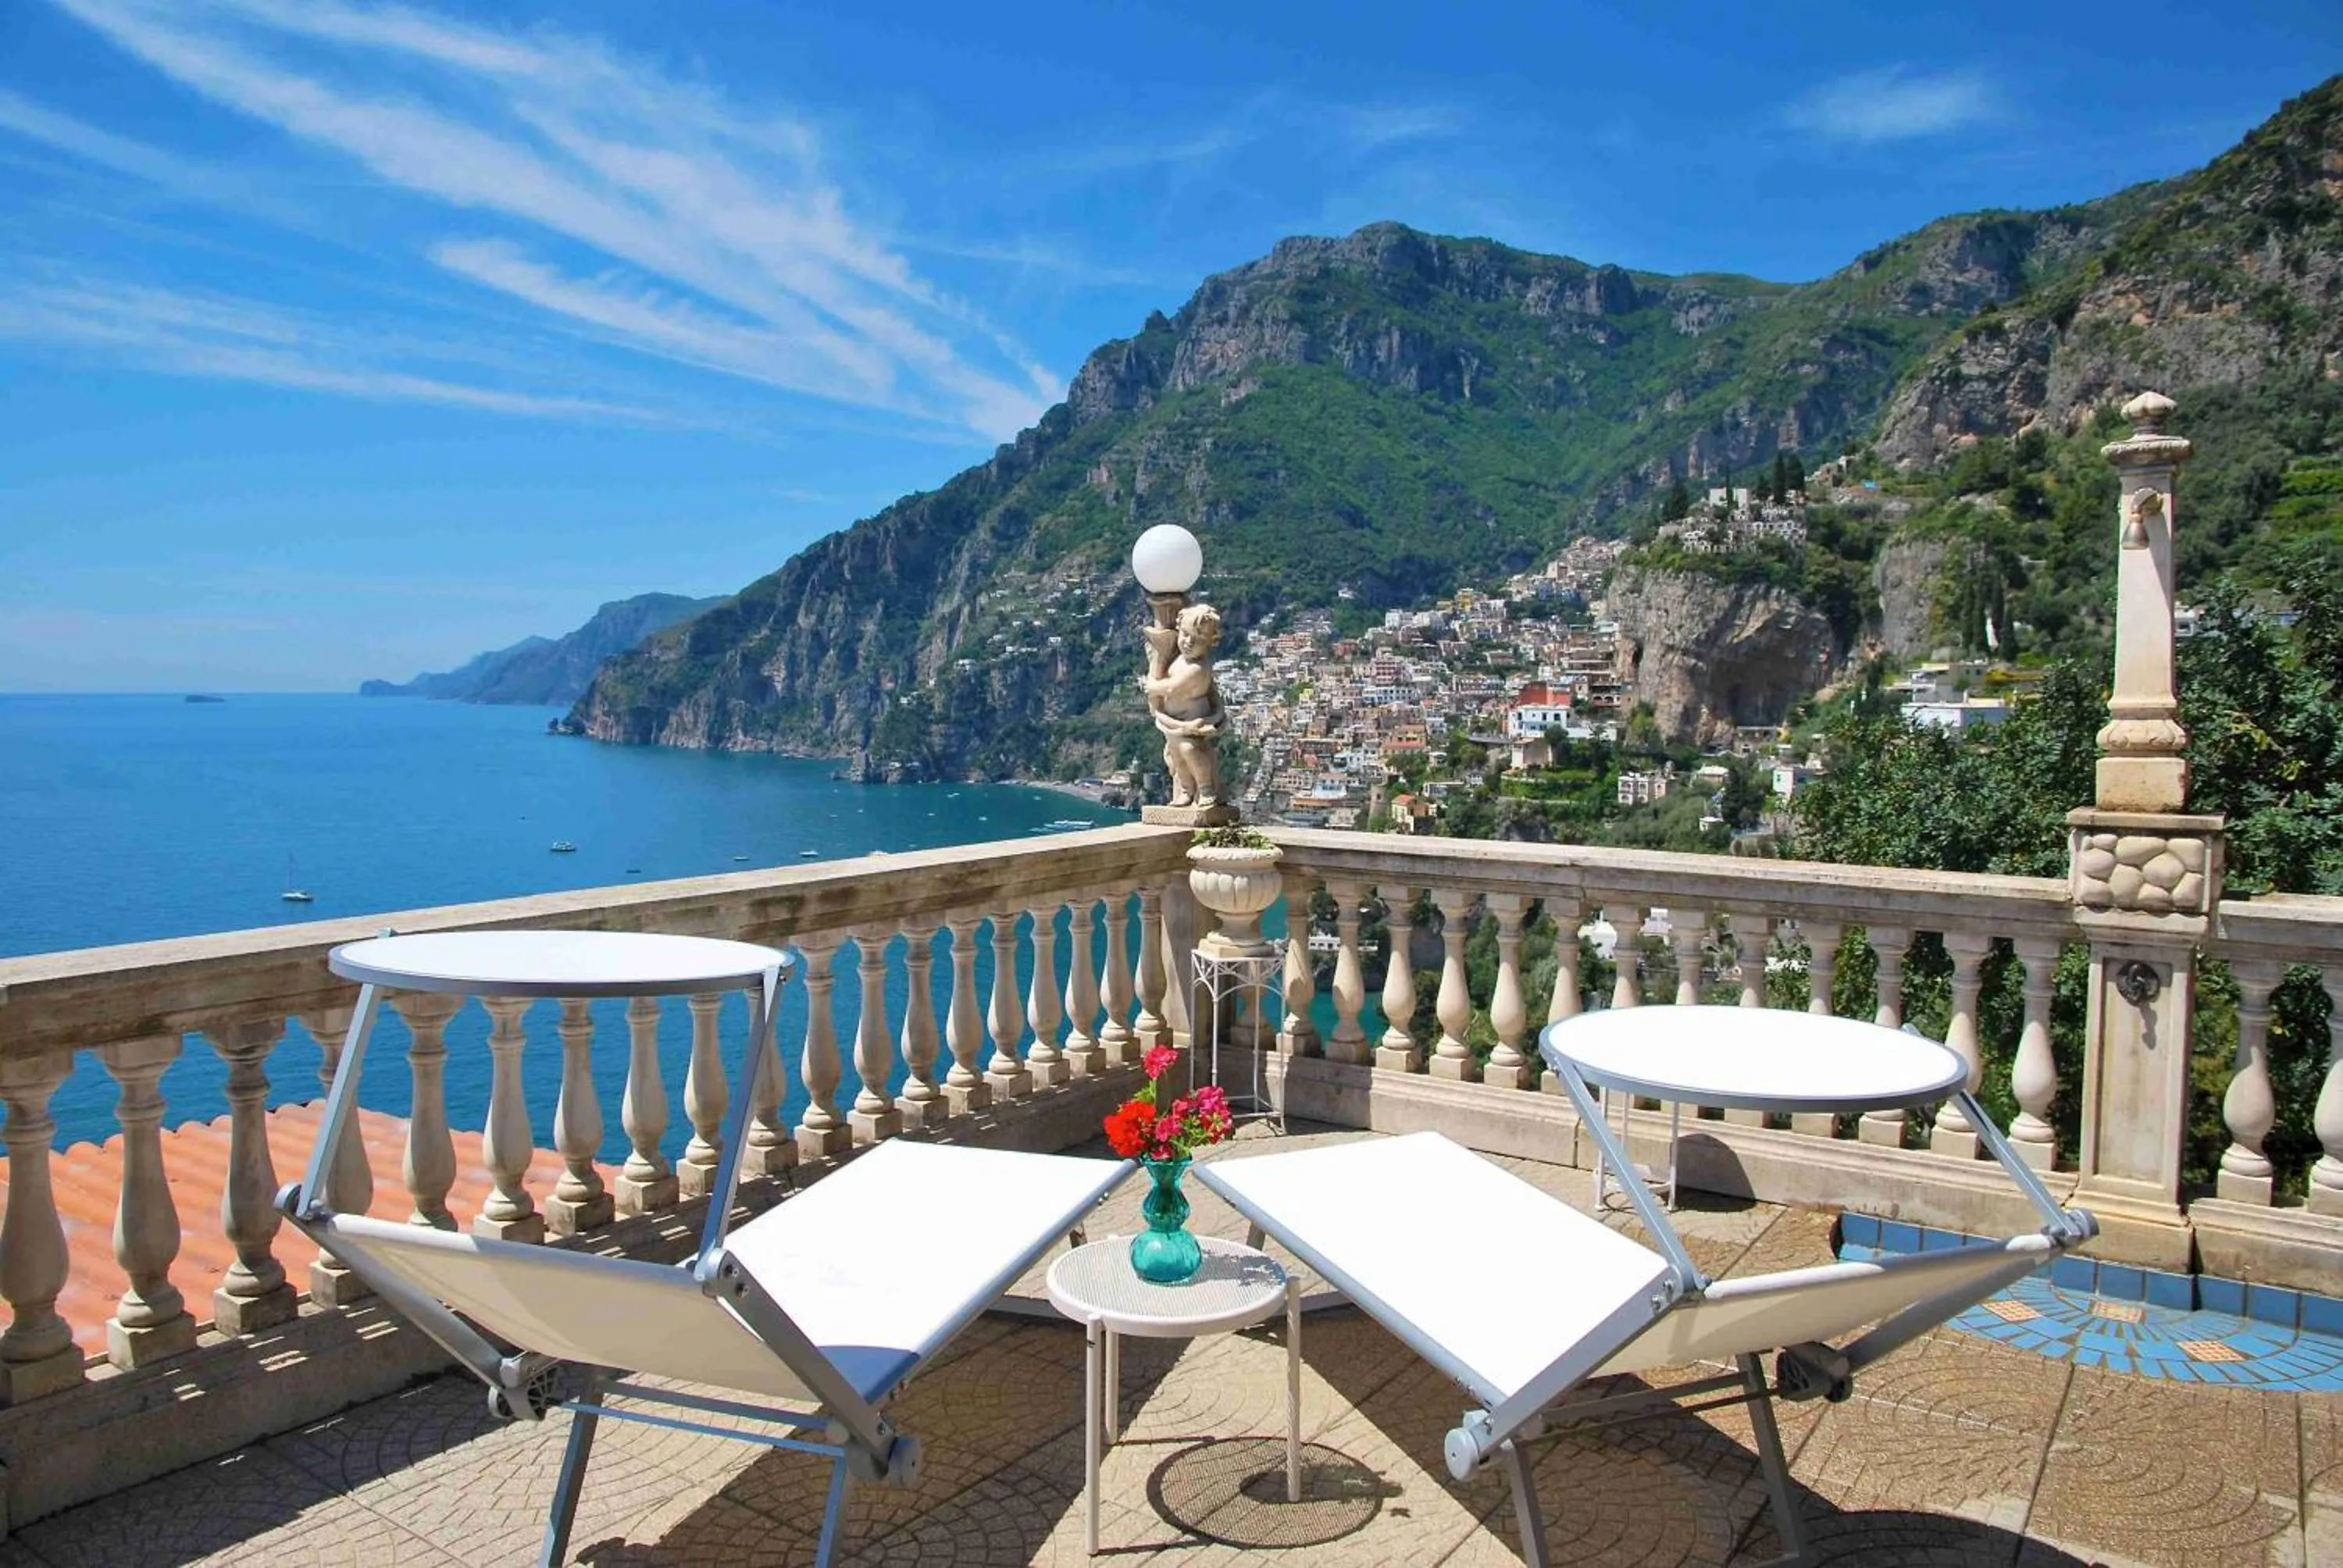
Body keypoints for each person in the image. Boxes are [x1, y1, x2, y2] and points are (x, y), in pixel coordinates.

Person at [1143, 603, 1227, 807]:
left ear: (1210, 642)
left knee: (1190, 751)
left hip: (1191, 722)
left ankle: (1205, 788)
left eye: (1197, 639)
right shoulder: (1181, 659)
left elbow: (1172, 687)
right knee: (1177, 757)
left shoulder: (1197, 668)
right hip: (1174, 722)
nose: (1188, 642)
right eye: (1185, 634)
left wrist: (1152, 686)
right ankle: (1187, 791)